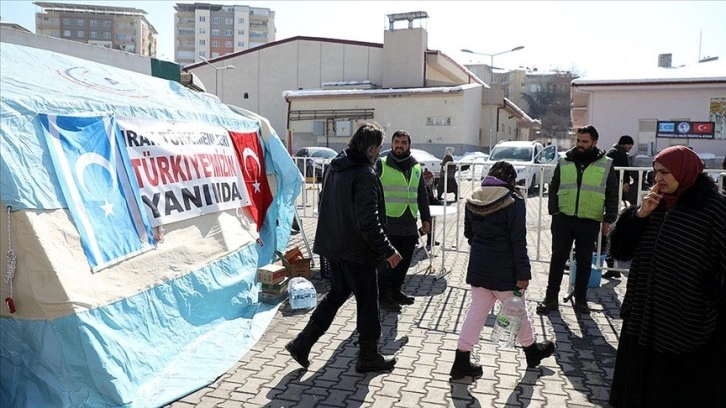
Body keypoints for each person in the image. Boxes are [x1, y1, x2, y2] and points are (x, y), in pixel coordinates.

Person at [607, 145, 726, 407]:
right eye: (656, 172)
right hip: (643, 313)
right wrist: (639, 216)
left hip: (685, 318)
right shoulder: (655, 204)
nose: (658, 178)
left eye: (666, 172)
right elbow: (620, 249)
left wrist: (711, 291)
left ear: (685, 172)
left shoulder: (713, 209)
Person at [285, 122, 402, 374]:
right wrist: (388, 250)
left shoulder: (336, 166)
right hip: (356, 251)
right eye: (378, 148)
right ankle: (368, 355)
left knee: (337, 294)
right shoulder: (364, 174)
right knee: (369, 303)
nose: (379, 153)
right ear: (371, 149)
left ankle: (302, 343)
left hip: (334, 247)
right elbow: (368, 222)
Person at [449, 161, 555, 379]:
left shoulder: (473, 197)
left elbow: (469, 233)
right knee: (517, 312)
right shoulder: (513, 201)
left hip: (479, 267)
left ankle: (461, 360)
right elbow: (518, 240)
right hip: (506, 271)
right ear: (511, 180)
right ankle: (532, 352)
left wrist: (483, 247)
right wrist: (523, 274)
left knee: (476, 315)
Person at [536, 125, 619, 315]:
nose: (580, 145)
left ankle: (581, 300)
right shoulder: (565, 160)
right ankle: (550, 299)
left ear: (594, 142)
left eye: (585, 142)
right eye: (578, 141)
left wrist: (609, 218)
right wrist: (554, 211)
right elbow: (554, 185)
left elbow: (612, 193)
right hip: (563, 218)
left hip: (589, 220)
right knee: (558, 259)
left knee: (584, 260)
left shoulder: (606, 163)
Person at [375, 130, 432, 311]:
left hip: (409, 223)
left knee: (404, 261)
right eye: (397, 142)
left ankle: (396, 292)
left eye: (404, 142)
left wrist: (426, 218)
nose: (400, 145)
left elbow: (422, 194)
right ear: (391, 144)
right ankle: (383, 297)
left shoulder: (416, 167)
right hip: (388, 223)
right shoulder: (381, 165)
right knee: (387, 263)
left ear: (409, 145)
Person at [602, 134, 635, 277]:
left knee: (607, 233)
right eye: (629, 145)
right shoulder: (614, 154)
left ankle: (612, 268)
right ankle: (611, 267)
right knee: (606, 233)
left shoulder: (619, 153)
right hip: (611, 196)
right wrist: (622, 184)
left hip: (613, 197)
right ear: (624, 144)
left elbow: (624, 171)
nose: (630, 148)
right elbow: (617, 173)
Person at [423, 169, 442, 249]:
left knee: (432, 224)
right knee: (429, 225)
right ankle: (417, 236)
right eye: (432, 178)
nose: (433, 179)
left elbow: (432, 198)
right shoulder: (425, 187)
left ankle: (431, 240)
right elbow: (429, 199)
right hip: (428, 208)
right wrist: (437, 203)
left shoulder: (429, 186)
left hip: (431, 208)